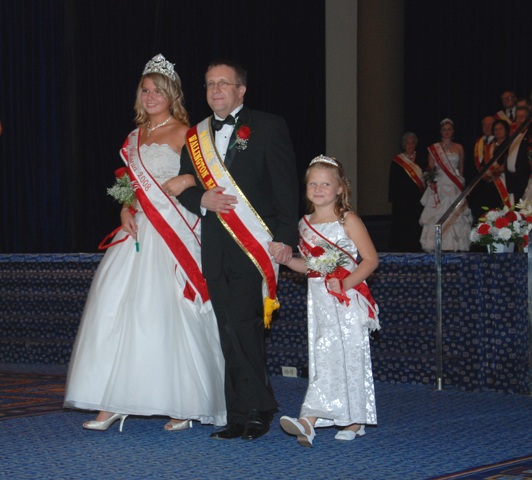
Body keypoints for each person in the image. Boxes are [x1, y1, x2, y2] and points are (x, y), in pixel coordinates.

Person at [64, 54, 226, 432]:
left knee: (166, 314)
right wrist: (125, 208)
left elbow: (212, 178)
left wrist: (185, 181)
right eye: (146, 90)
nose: (151, 97)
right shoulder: (134, 137)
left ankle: (182, 403)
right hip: (137, 230)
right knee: (114, 309)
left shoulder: (187, 133)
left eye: (158, 91)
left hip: (174, 230)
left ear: (172, 95)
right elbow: (129, 185)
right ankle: (111, 402)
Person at [177, 60, 299, 441]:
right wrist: (202, 200)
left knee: (246, 326)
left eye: (223, 83)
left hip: (253, 246)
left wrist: (285, 239)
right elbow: (185, 186)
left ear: (241, 90)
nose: (215, 90)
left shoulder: (269, 126)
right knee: (227, 330)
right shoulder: (195, 137)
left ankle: (258, 409)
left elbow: (285, 188)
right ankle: (238, 414)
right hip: (215, 247)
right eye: (209, 84)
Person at [270, 155, 379, 447]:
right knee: (323, 356)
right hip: (318, 301)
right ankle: (313, 419)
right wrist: (286, 260)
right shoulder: (304, 224)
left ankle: (349, 419)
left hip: (346, 299)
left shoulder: (348, 220)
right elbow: (309, 266)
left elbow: (370, 260)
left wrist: (345, 283)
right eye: (313, 184)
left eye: (326, 184)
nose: (318, 189)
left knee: (349, 357)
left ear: (340, 188)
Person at [419, 118, 472, 252]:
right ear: (440, 132)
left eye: (449, 129)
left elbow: (461, 168)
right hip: (440, 184)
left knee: (456, 214)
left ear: (453, 131)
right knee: (437, 213)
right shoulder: (434, 148)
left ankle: (456, 246)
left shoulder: (459, 147)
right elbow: (430, 168)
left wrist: (461, 184)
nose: (446, 132)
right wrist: (430, 181)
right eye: (444, 130)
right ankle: (437, 246)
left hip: (454, 184)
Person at [388, 132, 425, 251]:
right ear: (404, 145)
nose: (410, 145)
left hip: (418, 199)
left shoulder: (421, 159)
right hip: (402, 199)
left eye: (412, 143)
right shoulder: (397, 161)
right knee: (403, 225)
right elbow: (393, 181)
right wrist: (395, 198)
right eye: (408, 143)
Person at [505, 106, 531, 203]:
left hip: (524, 179)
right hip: (513, 180)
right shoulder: (513, 134)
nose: (520, 119)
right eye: (518, 117)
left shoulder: (529, 134)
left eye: (523, 116)